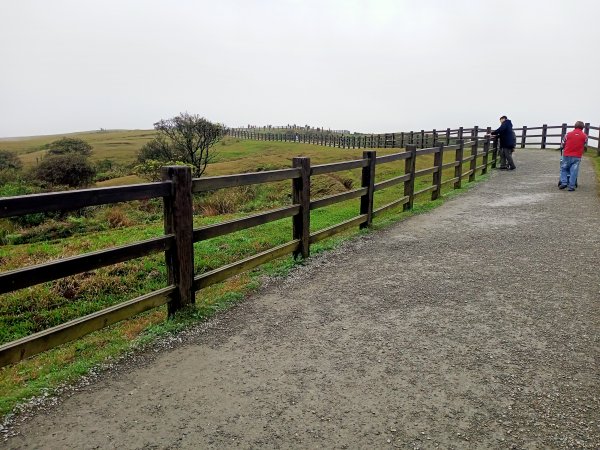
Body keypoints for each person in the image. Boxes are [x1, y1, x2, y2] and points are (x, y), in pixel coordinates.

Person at [559, 121, 587, 191]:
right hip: (577, 156)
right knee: (574, 171)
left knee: (564, 169)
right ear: (582, 128)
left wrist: (563, 147)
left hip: (567, 155)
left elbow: (562, 144)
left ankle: (564, 182)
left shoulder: (568, 134)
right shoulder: (585, 136)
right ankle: (571, 186)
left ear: (574, 126)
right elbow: (585, 145)